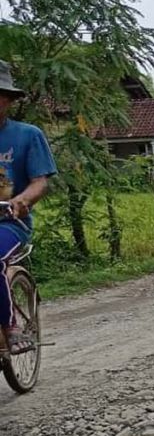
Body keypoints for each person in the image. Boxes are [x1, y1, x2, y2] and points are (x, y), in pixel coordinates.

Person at [0, 60, 57, 353]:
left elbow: (40, 182)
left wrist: (21, 200)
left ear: (7, 100)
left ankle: (10, 327)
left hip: (10, 223)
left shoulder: (27, 135)